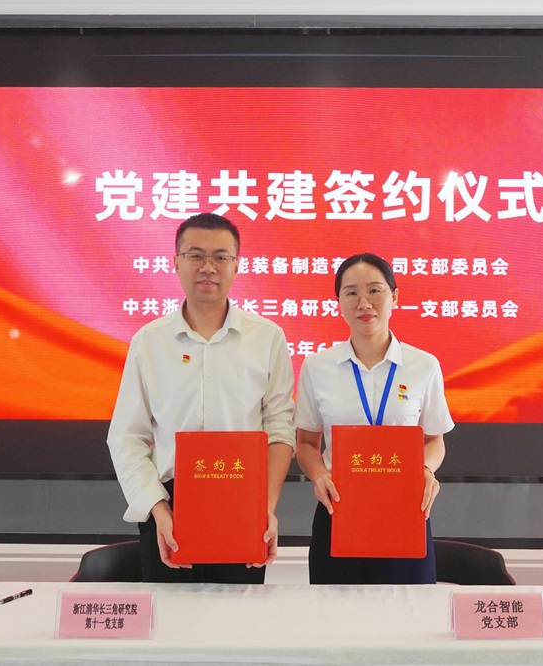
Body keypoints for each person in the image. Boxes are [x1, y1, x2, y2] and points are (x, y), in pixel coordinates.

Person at [107, 213, 295, 583]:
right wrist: (158, 508)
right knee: (169, 617)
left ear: (237, 265)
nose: (208, 267)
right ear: (175, 262)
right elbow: (127, 436)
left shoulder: (267, 337)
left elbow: (279, 430)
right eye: (195, 256)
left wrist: (265, 506)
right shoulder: (150, 341)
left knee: (238, 616)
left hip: (243, 501)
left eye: (221, 257)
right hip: (170, 506)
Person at [295, 252, 453, 584]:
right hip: (338, 511)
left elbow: (434, 439)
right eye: (351, 292)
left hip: (404, 511)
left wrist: (425, 470)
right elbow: (306, 443)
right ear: (338, 302)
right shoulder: (317, 367)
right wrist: (319, 476)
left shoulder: (423, 365)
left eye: (374, 290)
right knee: (335, 612)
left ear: (394, 296)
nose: (363, 302)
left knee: (409, 612)